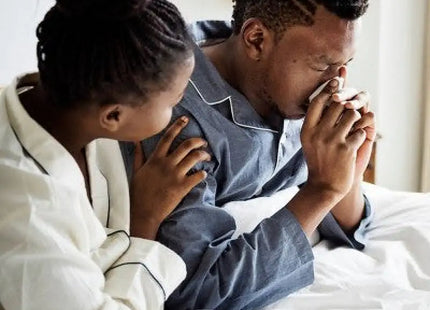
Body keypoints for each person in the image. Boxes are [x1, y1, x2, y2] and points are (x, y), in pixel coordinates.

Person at [136, 0, 377, 309]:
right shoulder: (179, 123)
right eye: (322, 65)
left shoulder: (294, 92)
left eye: (345, 64)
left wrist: (349, 175)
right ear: (256, 40)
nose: (336, 83)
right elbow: (199, 293)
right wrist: (323, 190)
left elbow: (352, 229)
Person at [0, 0, 211, 309]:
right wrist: (144, 220)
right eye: (173, 100)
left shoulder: (68, 103)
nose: (182, 105)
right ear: (113, 116)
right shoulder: (29, 218)